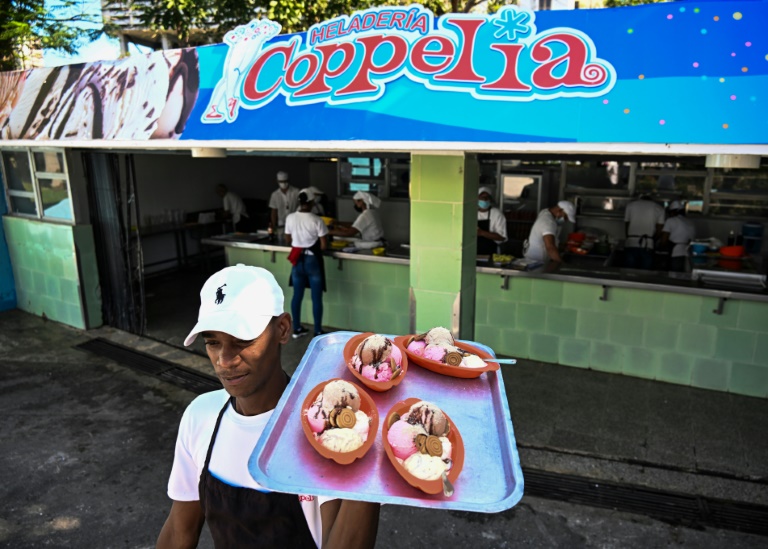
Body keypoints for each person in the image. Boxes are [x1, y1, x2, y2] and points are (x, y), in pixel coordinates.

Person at [156, 264, 380, 548]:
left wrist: (371, 458)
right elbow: (179, 533)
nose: (225, 360)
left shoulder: (323, 429)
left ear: (283, 329)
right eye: (212, 342)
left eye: (242, 341)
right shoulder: (201, 416)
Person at [285, 188, 328, 338]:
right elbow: (323, 245)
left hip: (297, 261)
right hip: (312, 261)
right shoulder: (317, 219)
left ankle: (296, 329)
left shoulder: (290, 218)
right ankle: (317, 331)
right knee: (316, 297)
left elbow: (287, 240)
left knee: (297, 295)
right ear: (311, 202)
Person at [623, 193, 665, 270]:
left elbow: (626, 225)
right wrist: (652, 240)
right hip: (648, 244)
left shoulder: (630, 205)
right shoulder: (659, 208)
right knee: (644, 275)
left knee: (629, 273)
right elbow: (659, 230)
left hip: (631, 242)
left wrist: (628, 238)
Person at [659, 200, 695, 273]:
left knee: (674, 276)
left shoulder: (670, 220)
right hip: (688, 254)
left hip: (675, 253)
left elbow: (664, 239)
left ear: (672, 212)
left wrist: (661, 247)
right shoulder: (690, 222)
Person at [476, 186, 507, 256]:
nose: (484, 200)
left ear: (490, 199)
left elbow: (502, 237)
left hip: (491, 253)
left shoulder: (496, 214)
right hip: (473, 253)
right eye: (482, 197)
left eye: (486, 198)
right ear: (477, 199)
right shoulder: (471, 212)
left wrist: (481, 233)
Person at [269, 171, 300, 237]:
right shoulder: (275, 195)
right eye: (281, 182)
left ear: (288, 181)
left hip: (294, 222)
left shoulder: (296, 192)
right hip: (281, 223)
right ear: (277, 181)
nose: (283, 183)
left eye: (285, 181)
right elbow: (273, 211)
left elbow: (300, 207)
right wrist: (274, 226)